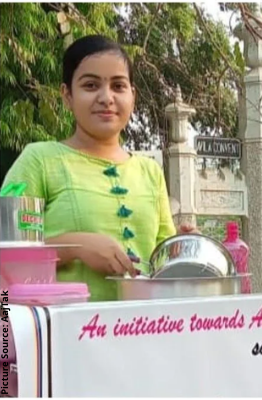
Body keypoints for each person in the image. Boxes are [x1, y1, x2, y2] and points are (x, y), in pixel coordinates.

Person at [1, 35, 195, 301]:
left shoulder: (149, 172)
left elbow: (162, 265)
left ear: (132, 96)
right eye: (91, 85)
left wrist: (184, 249)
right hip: (60, 334)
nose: (106, 97)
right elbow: (6, 254)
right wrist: (75, 247)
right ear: (67, 95)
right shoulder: (39, 160)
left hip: (142, 331)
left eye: (118, 86)